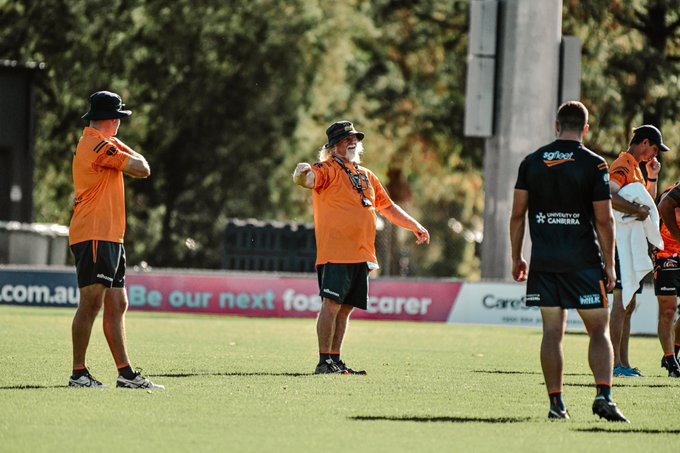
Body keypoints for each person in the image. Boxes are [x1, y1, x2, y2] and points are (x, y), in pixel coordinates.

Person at [510, 101, 627, 422]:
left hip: (545, 261)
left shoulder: (531, 162)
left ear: (557, 126)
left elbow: (517, 214)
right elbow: (604, 220)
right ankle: (603, 396)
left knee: (552, 332)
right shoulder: (594, 164)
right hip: (583, 261)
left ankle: (556, 404)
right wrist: (610, 263)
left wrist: (517, 256)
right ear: (585, 129)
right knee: (598, 330)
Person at [293, 121, 430, 375]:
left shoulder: (366, 175)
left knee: (345, 309)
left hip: (362, 253)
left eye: (355, 138)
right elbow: (308, 179)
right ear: (333, 147)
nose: (353, 142)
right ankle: (324, 362)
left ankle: (335, 359)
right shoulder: (328, 169)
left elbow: (387, 207)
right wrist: (300, 173)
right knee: (331, 305)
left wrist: (414, 225)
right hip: (336, 252)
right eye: (346, 139)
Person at [68, 91, 164, 390]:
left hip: (110, 235)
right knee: (91, 303)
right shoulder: (96, 144)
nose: (121, 124)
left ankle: (125, 373)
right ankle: (78, 373)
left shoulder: (103, 142)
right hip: (94, 232)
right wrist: (124, 148)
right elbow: (141, 168)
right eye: (120, 119)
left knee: (117, 302)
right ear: (113, 120)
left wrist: (120, 146)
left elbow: (137, 165)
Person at [608, 125, 667, 377]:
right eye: (654, 149)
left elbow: (648, 205)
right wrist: (637, 212)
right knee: (621, 302)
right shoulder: (623, 163)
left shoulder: (638, 168)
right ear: (644, 142)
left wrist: (652, 177)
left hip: (633, 246)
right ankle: (614, 365)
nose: (654, 155)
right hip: (621, 244)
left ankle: (624, 363)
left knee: (629, 303)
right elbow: (608, 195)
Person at [653, 180, 680, 377]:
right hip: (667, 256)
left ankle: (674, 353)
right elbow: (662, 206)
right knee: (668, 309)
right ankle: (671, 360)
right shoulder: (671, 193)